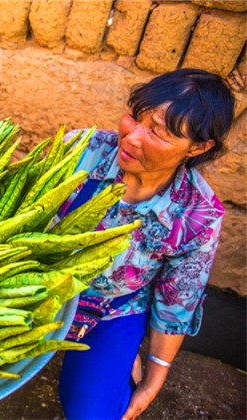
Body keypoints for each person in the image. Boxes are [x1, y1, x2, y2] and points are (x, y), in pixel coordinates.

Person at [56, 68, 235, 419]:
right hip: (37, 286)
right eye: (134, 117)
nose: (132, 137)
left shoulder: (198, 214)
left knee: (92, 413)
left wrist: (153, 382)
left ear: (198, 146)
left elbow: (176, 303)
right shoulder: (79, 151)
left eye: (157, 132)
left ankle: (118, 355)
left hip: (112, 307)